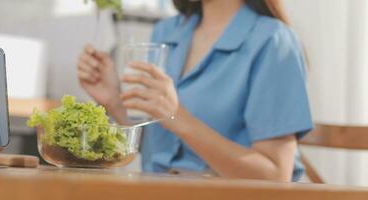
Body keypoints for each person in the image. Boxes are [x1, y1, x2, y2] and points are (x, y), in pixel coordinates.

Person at [76, 0, 312, 182]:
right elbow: (163, 144)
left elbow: (275, 176)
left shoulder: (273, 41)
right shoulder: (166, 32)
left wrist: (177, 117)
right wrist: (114, 101)